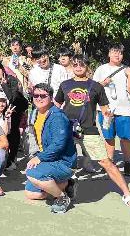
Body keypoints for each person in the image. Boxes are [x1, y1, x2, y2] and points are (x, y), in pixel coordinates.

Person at [55, 57, 130, 208]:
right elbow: (56, 106)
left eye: (82, 65)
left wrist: (108, 115)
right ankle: (64, 189)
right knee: (63, 161)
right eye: (75, 65)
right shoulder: (65, 84)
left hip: (89, 130)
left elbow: (105, 108)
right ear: (71, 67)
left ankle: (127, 194)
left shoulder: (96, 86)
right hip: (67, 129)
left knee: (105, 162)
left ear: (87, 67)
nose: (78, 67)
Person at [25, 83, 77, 214]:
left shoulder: (57, 117)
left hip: (64, 162)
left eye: (43, 96)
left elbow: (59, 144)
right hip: (49, 160)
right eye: (36, 95)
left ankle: (62, 198)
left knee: (32, 173)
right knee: (31, 193)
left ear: (51, 97)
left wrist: (39, 157)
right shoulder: (35, 113)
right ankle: (67, 184)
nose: (39, 98)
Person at [92, 43, 130, 176]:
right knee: (108, 137)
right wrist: (104, 83)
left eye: (120, 53)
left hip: (124, 110)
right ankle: (110, 162)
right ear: (109, 54)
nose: (117, 55)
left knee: (125, 138)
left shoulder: (128, 70)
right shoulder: (101, 69)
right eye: (114, 52)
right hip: (105, 109)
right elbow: (93, 88)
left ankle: (127, 163)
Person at [0, 62, 27, 169]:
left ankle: (12, 160)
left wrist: (4, 84)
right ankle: (3, 159)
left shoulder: (11, 79)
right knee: (3, 134)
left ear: (2, 70)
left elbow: (12, 98)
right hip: (3, 111)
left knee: (13, 134)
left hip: (15, 110)